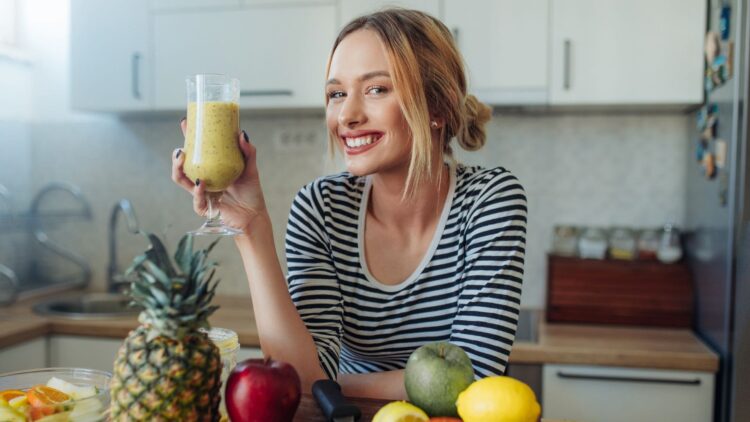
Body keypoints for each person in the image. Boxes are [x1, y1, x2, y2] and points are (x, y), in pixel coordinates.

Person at [171, 8, 527, 400]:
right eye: (337, 94)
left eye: (376, 89)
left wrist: (327, 385)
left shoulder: (489, 201)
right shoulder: (322, 208)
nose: (347, 115)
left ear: (436, 107)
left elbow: (473, 379)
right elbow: (294, 376)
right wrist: (251, 228)